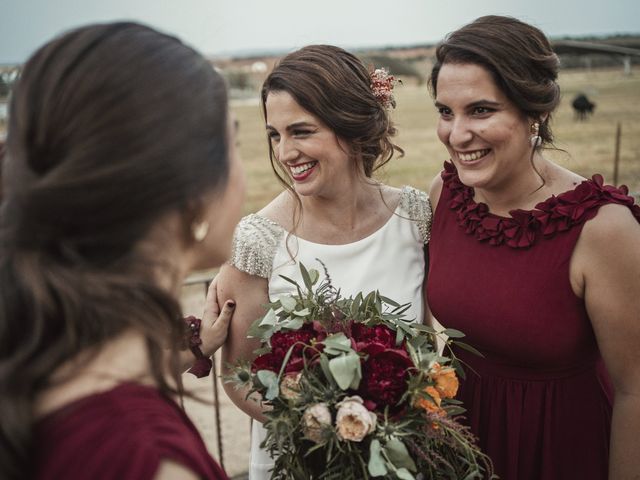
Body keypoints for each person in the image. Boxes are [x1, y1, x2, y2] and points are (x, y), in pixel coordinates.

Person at [0, 22, 245, 480]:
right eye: (233, 141)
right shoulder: (146, 459)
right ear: (191, 197)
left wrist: (194, 344)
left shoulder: (38, 358)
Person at [425, 15, 640, 480]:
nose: (457, 134)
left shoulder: (603, 228)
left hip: (559, 449)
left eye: (481, 110)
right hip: (459, 448)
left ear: (535, 111)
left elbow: (635, 391)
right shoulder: (444, 196)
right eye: (446, 111)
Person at [216, 45, 431, 480]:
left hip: (400, 461)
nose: (285, 152)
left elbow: (424, 351)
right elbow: (239, 377)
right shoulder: (260, 238)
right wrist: (329, 436)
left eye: (301, 131)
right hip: (300, 465)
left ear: (350, 125)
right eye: (275, 135)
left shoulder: (415, 218)